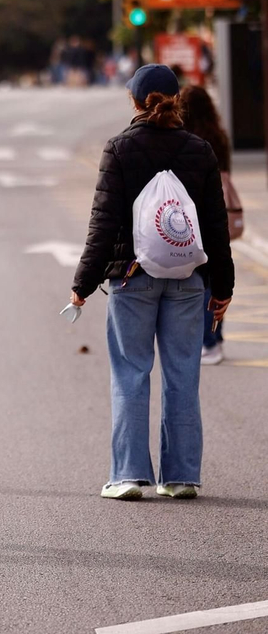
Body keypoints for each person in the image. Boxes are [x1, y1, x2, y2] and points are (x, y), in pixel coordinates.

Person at [70, 64, 233, 501]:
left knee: (131, 374)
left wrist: (82, 284)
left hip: (132, 279)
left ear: (135, 101)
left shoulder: (119, 148)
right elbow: (215, 227)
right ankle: (180, 477)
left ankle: (127, 476)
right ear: (176, 100)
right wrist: (223, 288)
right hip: (187, 279)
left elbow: (103, 225)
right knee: (183, 376)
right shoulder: (200, 150)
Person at [179, 83, 234, 366]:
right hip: (218, 211)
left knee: (200, 281)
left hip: (193, 214)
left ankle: (209, 342)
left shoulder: (187, 140)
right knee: (216, 276)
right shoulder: (219, 136)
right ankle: (216, 336)